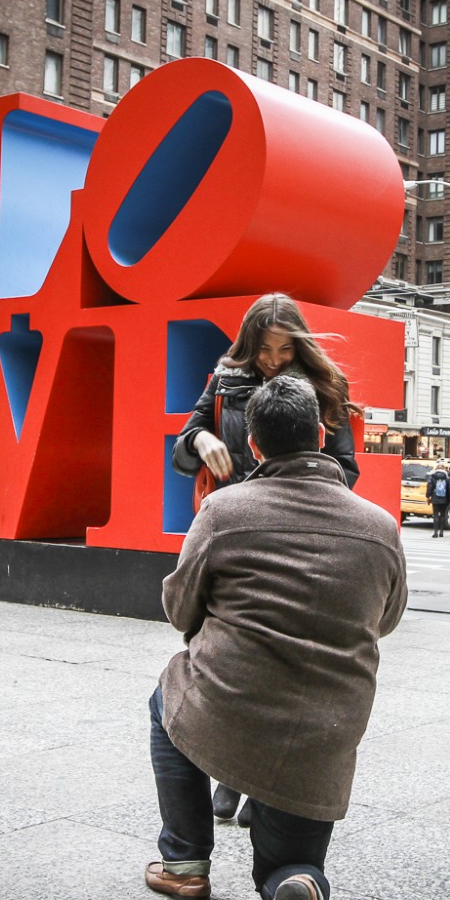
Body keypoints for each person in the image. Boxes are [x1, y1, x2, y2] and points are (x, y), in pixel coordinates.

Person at [147, 376, 407, 900]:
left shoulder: (224, 511)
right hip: (324, 733)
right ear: (320, 435)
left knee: (166, 699)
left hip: (225, 708)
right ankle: (296, 889)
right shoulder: (379, 525)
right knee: (289, 862)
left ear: (255, 447)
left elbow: (180, 609)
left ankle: (184, 860)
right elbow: (387, 618)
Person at [172, 293, 360, 825]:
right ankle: (233, 770)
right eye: (264, 349)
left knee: (280, 659)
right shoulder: (226, 378)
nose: (274, 359)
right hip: (233, 527)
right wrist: (203, 437)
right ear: (248, 344)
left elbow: (347, 471)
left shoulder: (326, 388)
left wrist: (297, 469)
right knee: (229, 652)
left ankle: (255, 785)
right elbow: (182, 449)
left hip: (300, 531)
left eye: (284, 348)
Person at [425, 461, 449, 538]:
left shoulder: (433, 476)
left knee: (435, 515)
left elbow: (430, 487)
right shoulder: (446, 477)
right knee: (442, 515)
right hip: (444, 497)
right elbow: (449, 488)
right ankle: (441, 532)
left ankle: (435, 532)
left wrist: (428, 496)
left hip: (435, 497)